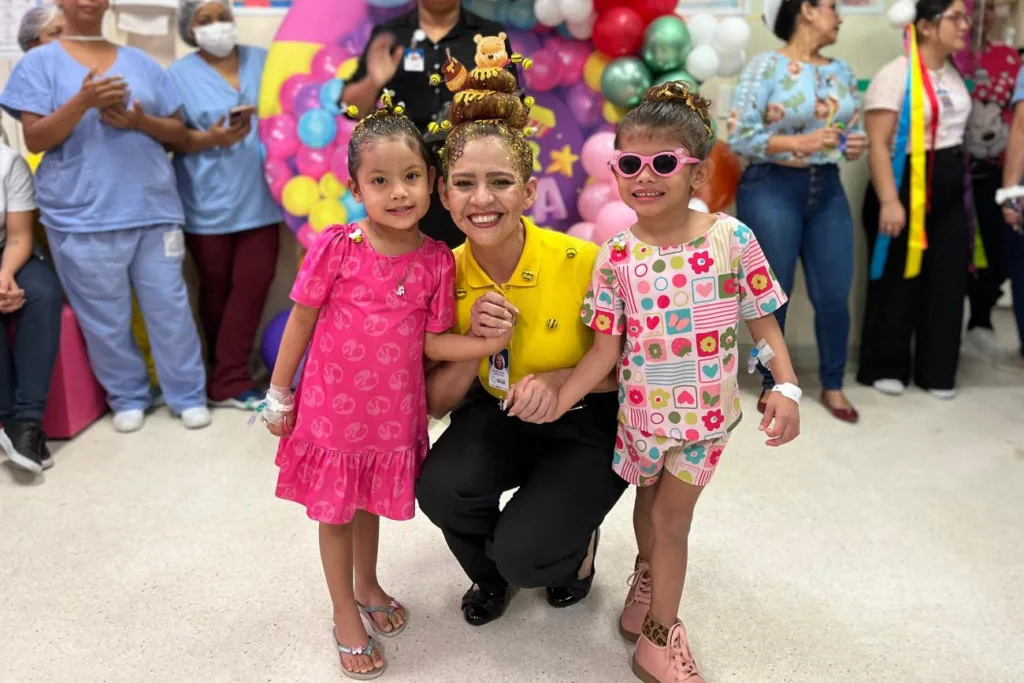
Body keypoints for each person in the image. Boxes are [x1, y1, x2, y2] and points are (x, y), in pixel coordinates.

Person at [540, 83, 801, 683]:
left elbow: (763, 323)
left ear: (696, 172)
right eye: (629, 164)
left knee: (673, 522)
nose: (644, 177)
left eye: (663, 163)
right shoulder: (615, 257)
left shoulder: (732, 240)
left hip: (705, 421)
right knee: (648, 504)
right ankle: (647, 575)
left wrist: (784, 387)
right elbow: (605, 350)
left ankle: (658, 638)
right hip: (640, 419)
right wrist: (560, 399)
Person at [259, 94, 511, 680]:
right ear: (356, 186)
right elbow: (299, 318)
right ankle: (343, 611)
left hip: (393, 413)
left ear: (431, 183)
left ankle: (368, 583)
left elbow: (431, 341)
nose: (398, 193)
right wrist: (279, 393)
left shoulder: (436, 262)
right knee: (337, 512)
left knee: (368, 499)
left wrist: (482, 344)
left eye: (411, 177)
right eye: (380, 180)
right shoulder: (337, 246)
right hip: (331, 413)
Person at [415, 64, 627, 628]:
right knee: (440, 488)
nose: (481, 199)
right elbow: (437, 403)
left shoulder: (583, 262)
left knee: (532, 556)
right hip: (499, 408)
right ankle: (490, 577)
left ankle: (573, 553)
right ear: (444, 192)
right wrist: (474, 346)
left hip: (587, 419)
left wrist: (562, 383)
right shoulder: (441, 274)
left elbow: (634, 369)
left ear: (529, 190)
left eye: (501, 181)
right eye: (463, 182)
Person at [0, 0, 210, 432]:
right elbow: (36, 139)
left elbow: (178, 132)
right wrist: (82, 102)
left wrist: (138, 122)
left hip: (150, 207)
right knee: (105, 317)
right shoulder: (39, 64)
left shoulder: (142, 62)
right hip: (82, 214)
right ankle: (127, 395)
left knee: (169, 307)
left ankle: (186, 394)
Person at [729, 0, 863, 423]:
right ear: (805, 9)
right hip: (771, 185)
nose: (838, 16)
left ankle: (833, 383)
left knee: (834, 292)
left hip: (828, 188)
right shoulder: (764, 67)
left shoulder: (839, 70)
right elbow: (739, 135)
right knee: (773, 294)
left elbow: (850, 130)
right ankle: (776, 386)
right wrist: (801, 143)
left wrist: (851, 143)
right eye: (831, 7)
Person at [169, 0, 282, 411]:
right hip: (204, 201)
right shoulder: (178, 75)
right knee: (214, 291)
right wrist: (208, 139)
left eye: (223, 17)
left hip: (262, 197)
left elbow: (289, 105)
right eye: (206, 20)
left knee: (252, 284)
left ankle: (229, 378)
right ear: (190, 28)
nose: (217, 26)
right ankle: (226, 373)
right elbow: (168, 136)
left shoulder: (263, 60)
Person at [858, 0, 973, 399]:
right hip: (904, 185)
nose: (965, 24)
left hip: (950, 193)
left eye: (966, 16)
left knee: (948, 280)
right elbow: (877, 145)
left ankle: (938, 370)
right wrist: (890, 200)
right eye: (955, 17)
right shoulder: (894, 76)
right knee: (897, 279)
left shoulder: (954, 75)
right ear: (925, 26)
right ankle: (885, 365)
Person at [342, 0, 515, 249]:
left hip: (471, 177)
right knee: (410, 265)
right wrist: (372, 81)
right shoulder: (391, 35)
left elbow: (511, 104)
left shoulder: (488, 35)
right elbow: (351, 110)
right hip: (407, 180)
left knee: (470, 261)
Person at [0, 134, 63, 475]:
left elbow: (19, 236)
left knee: (42, 293)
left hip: (8, 251)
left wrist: (5, 274)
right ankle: (16, 425)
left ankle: (25, 420)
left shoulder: (8, 162)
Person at [963, 1, 1022, 362]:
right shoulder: (956, 57)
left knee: (1001, 256)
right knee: (961, 254)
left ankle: (981, 318)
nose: (986, 14)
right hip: (956, 169)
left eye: (995, 6)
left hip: (999, 171)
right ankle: (967, 323)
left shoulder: (1009, 57)